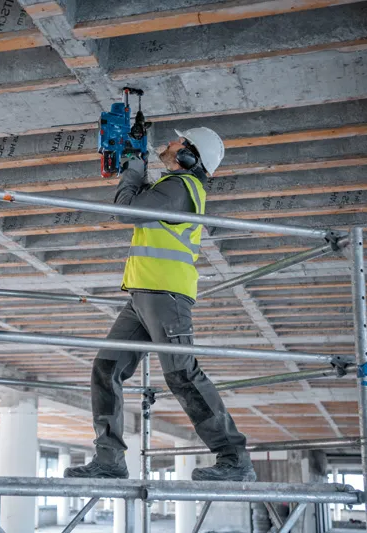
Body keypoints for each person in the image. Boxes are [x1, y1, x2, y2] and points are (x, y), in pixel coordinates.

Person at [64, 127, 256, 482]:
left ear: (189, 155)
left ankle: (234, 459)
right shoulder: (171, 188)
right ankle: (109, 460)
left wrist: (134, 169)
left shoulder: (181, 187)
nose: (169, 145)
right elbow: (140, 207)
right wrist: (134, 169)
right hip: (143, 295)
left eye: (177, 142)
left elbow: (126, 212)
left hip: (164, 294)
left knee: (182, 374)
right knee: (106, 369)